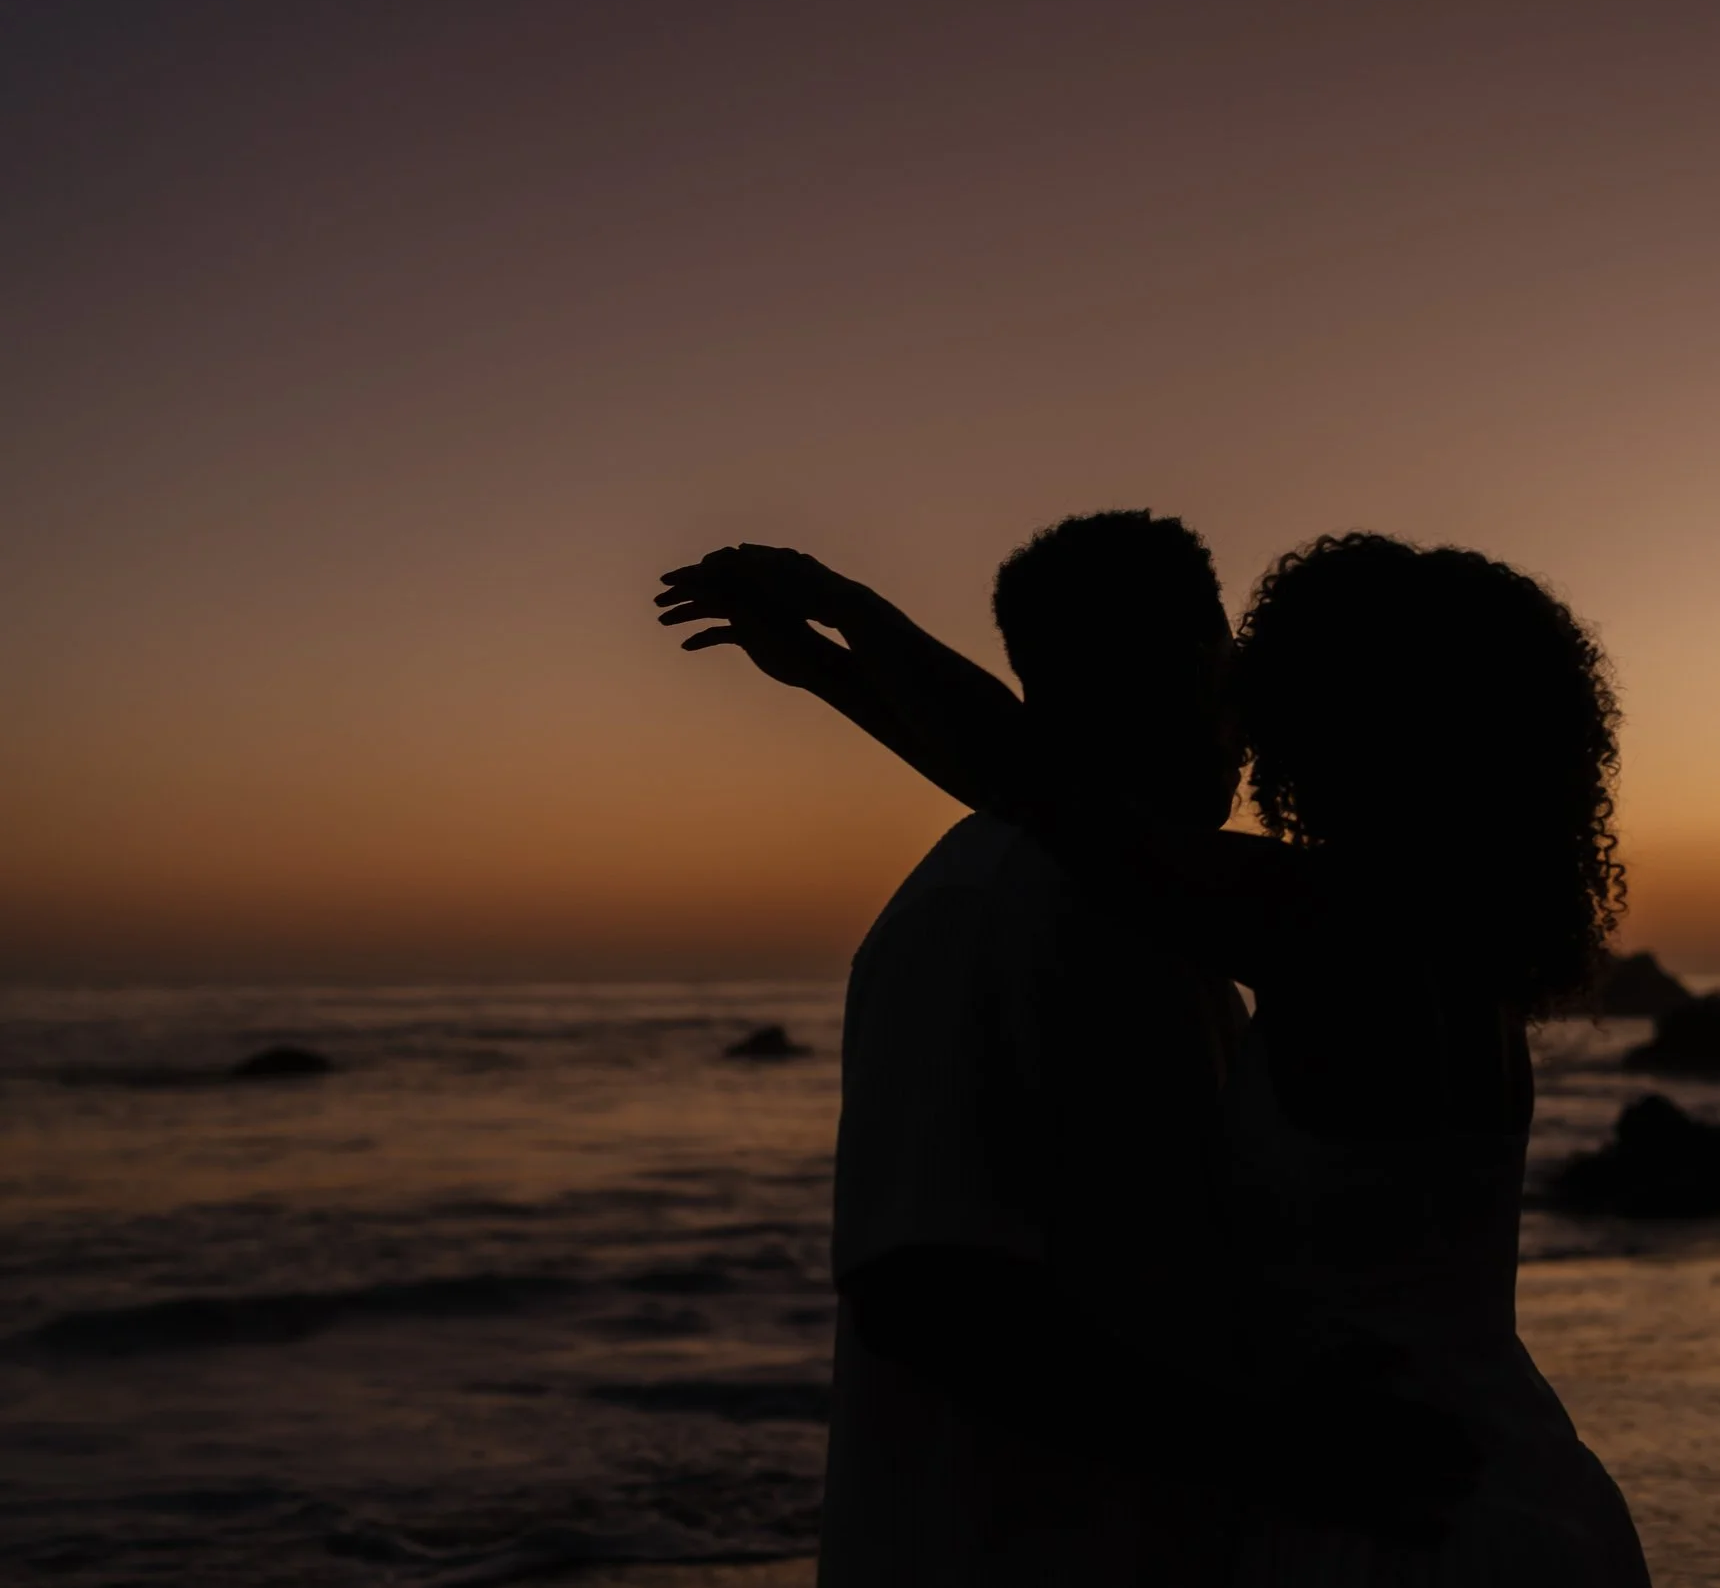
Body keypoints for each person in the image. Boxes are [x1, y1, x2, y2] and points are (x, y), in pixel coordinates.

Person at [663, 529, 1651, 1585]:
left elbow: (1048, 790)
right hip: (1510, 1468)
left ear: (1358, 725)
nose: (1249, 721)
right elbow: (1055, 799)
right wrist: (830, 666)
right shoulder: (1442, 935)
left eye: (1272, 691)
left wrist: (845, 608)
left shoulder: (1319, 920)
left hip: (1384, 1498)